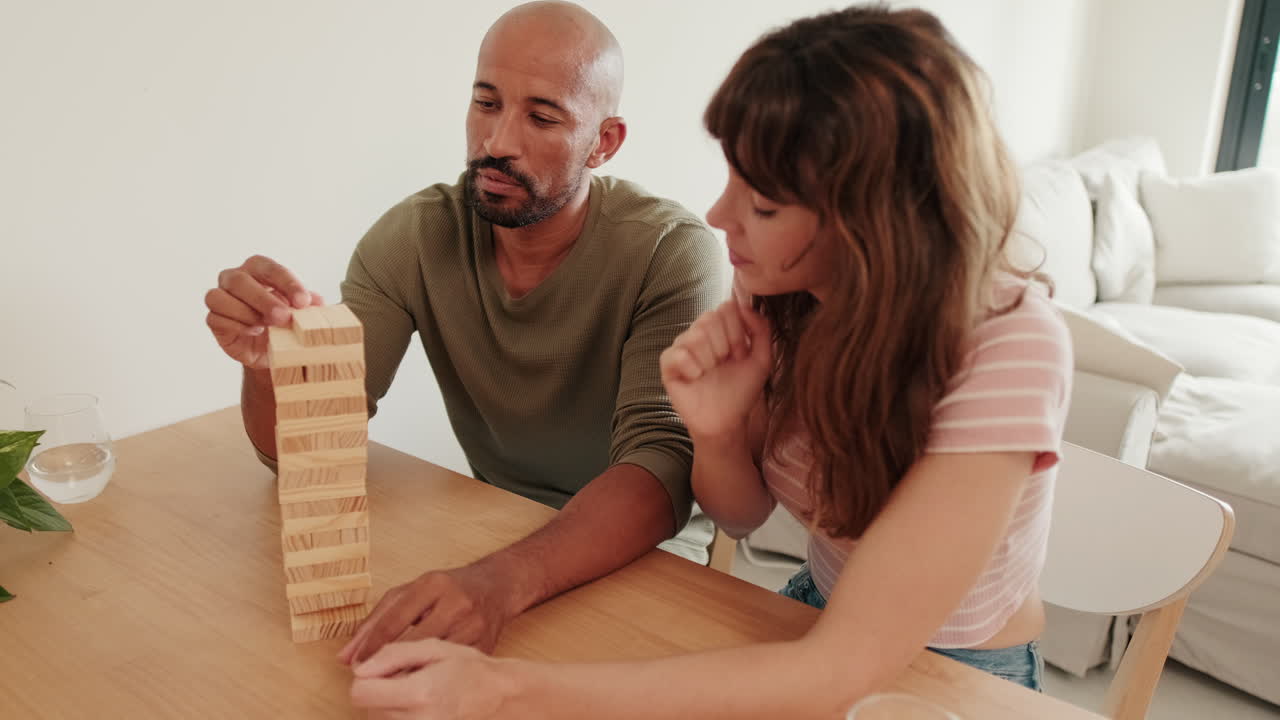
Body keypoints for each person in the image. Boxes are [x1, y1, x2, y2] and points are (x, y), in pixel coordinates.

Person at [345, 5, 1074, 717]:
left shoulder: (1010, 346)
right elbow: (743, 514)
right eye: (731, 180)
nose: (720, 217)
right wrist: (720, 432)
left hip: (960, 674)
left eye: (761, 203)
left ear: (871, 221)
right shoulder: (787, 291)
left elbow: (839, 670)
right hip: (812, 614)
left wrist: (502, 692)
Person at [202, 1, 723, 665]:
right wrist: (269, 370)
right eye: (485, 103)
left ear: (605, 141)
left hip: (647, 562)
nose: (497, 141)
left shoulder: (669, 253)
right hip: (498, 538)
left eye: (541, 115)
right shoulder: (417, 236)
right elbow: (306, 448)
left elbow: (662, 471)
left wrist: (500, 582)